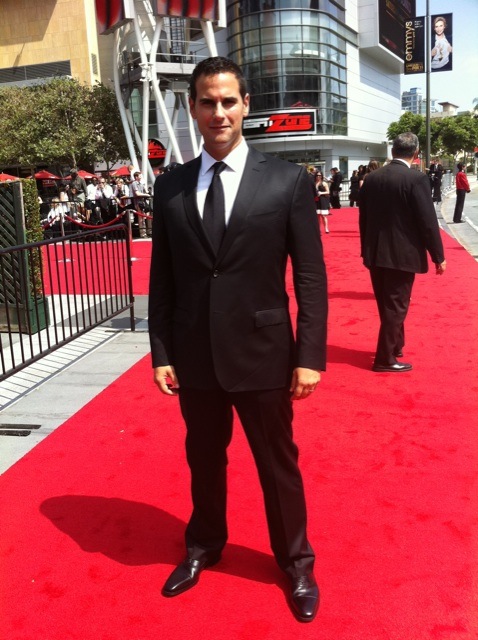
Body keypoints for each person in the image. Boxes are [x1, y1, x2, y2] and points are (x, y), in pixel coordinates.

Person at [148, 56, 327, 623]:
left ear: (246, 105)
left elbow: (310, 278)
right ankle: (203, 546)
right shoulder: (171, 186)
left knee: (277, 465)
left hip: (264, 355)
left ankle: (296, 564)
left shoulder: (287, 180)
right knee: (204, 459)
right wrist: (161, 353)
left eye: (228, 100)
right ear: (194, 108)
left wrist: (310, 357)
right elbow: (163, 278)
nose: (218, 111)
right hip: (195, 355)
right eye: (207, 101)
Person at [359, 132, 446, 373]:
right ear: (416, 154)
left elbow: (363, 218)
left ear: (392, 151)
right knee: (397, 307)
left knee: (386, 304)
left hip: (375, 253)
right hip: (402, 253)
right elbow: (427, 221)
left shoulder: (372, 178)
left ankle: (395, 344)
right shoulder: (416, 179)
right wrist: (438, 256)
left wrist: (365, 250)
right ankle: (384, 359)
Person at [131, 171, 152, 237]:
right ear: (136, 177)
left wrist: (148, 191)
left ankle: (149, 231)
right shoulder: (134, 183)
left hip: (144, 202)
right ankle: (143, 233)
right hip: (138, 203)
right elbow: (137, 193)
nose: (141, 176)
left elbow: (146, 191)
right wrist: (146, 194)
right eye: (140, 175)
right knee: (141, 218)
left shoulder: (141, 183)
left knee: (148, 216)